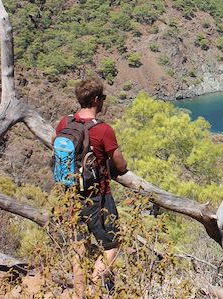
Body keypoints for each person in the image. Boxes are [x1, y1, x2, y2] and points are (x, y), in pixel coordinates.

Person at [54, 76, 128, 297]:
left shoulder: (65, 123)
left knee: (78, 245)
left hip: (68, 193)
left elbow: (54, 144)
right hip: (98, 197)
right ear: (97, 100)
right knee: (113, 243)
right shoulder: (103, 130)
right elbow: (121, 165)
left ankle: (79, 293)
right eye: (103, 97)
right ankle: (96, 288)